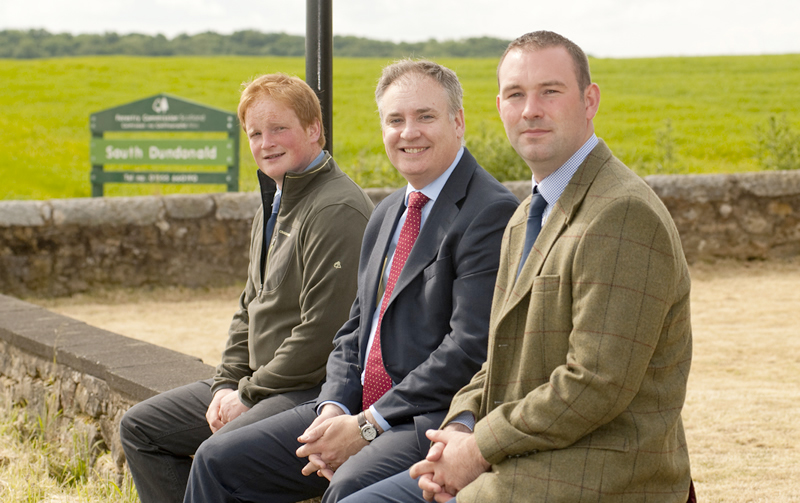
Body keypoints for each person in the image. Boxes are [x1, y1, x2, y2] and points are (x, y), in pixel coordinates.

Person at [340, 30, 695, 503]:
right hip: (530, 449)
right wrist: (460, 426)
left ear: (589, 101)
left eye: (550, 91)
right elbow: (497, 354)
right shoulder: (528, 212)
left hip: (601, 466)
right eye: (515, 94)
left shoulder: (621, 213)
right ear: (501, 106)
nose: (531, 109)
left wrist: (479, 448)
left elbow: (595, 383)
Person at [182, 59, 519, 503]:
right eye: (395, 120)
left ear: (458, 122)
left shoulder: (489, 211)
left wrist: (367, 423)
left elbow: (467, 348)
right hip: (353, 405)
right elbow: (353, 331)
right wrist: (332, 408)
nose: (408, 132)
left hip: (424, 416)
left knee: (346, 486)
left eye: (425, 117)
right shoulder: (387, 213)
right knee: (217, 459)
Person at [119, 73, 374, 503]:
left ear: (314, 129)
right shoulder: (275, 200)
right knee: (141, 428)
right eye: (255, 133)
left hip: (308, 390)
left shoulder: (337, 208)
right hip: (259, 381)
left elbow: (322, 336)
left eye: (279, 128)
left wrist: (248, 394)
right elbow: (248, 307)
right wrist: (225, 383)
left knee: (216, 457)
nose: (266, 142)